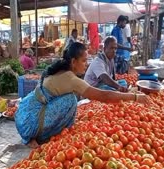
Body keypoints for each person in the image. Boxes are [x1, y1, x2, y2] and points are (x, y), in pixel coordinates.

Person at [15, 42, 149, 148]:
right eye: (84, 61)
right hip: (30, 124)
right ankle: (42, 137)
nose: (87, 64)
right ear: (73, 62)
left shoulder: (59, 70)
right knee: (70, 101)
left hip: (24, 114)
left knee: (70, 101)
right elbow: (104, 96)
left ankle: (38, 133)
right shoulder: (71, 79)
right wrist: (135, 97)